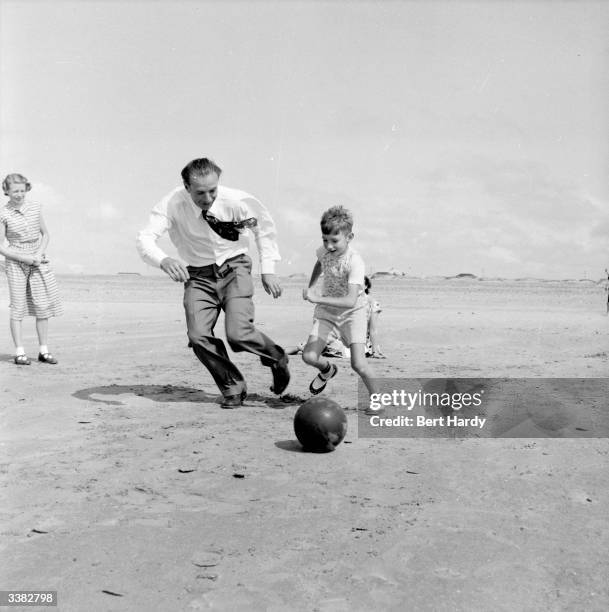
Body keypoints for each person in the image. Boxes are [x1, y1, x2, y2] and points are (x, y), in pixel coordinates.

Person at [136, 157, 290, 408]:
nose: (208, 198)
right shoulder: (172, 204)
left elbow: (263, 228)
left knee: (238, 334)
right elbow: (144, 238)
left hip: (235, 268)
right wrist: (163, 260)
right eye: (200, 193)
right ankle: (232, 386)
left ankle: (276, 358)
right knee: (198, 336)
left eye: (212, 190)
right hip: (198, 276)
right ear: (186, 187)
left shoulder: (236, 201)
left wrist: (268, 269)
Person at [301, 205, 379, 409]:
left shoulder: (355, 262)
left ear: (349, 236)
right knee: (309, 356)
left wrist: (317, 298)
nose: (329, 246)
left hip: (353, 314)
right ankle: (327, 370)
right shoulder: (324, 252)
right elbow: (319, 263)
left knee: (358, 364)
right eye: (324, 240)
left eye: (334, 241)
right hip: (327, 314)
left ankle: (378, 399)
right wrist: (310, 287)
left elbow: (350, 301)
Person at [0, 173, 63, 365]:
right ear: (7, 191)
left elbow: (46, 235)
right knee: (18, 308)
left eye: (22, 190)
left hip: (37, 260)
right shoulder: (3, 213)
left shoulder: (35, 208)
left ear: (26, 189)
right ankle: (20, 353)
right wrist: (23, 258)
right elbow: (1, 246)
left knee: (42, 307)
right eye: (14, 191)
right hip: (15, 261)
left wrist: (39, 255)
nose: (19, 194)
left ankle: (43, 351)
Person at [286, 275, 386, 359]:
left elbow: (373, 330)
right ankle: (289, 350)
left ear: (366, 286)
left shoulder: (373, 304)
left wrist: (375, 351)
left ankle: (299, 348)